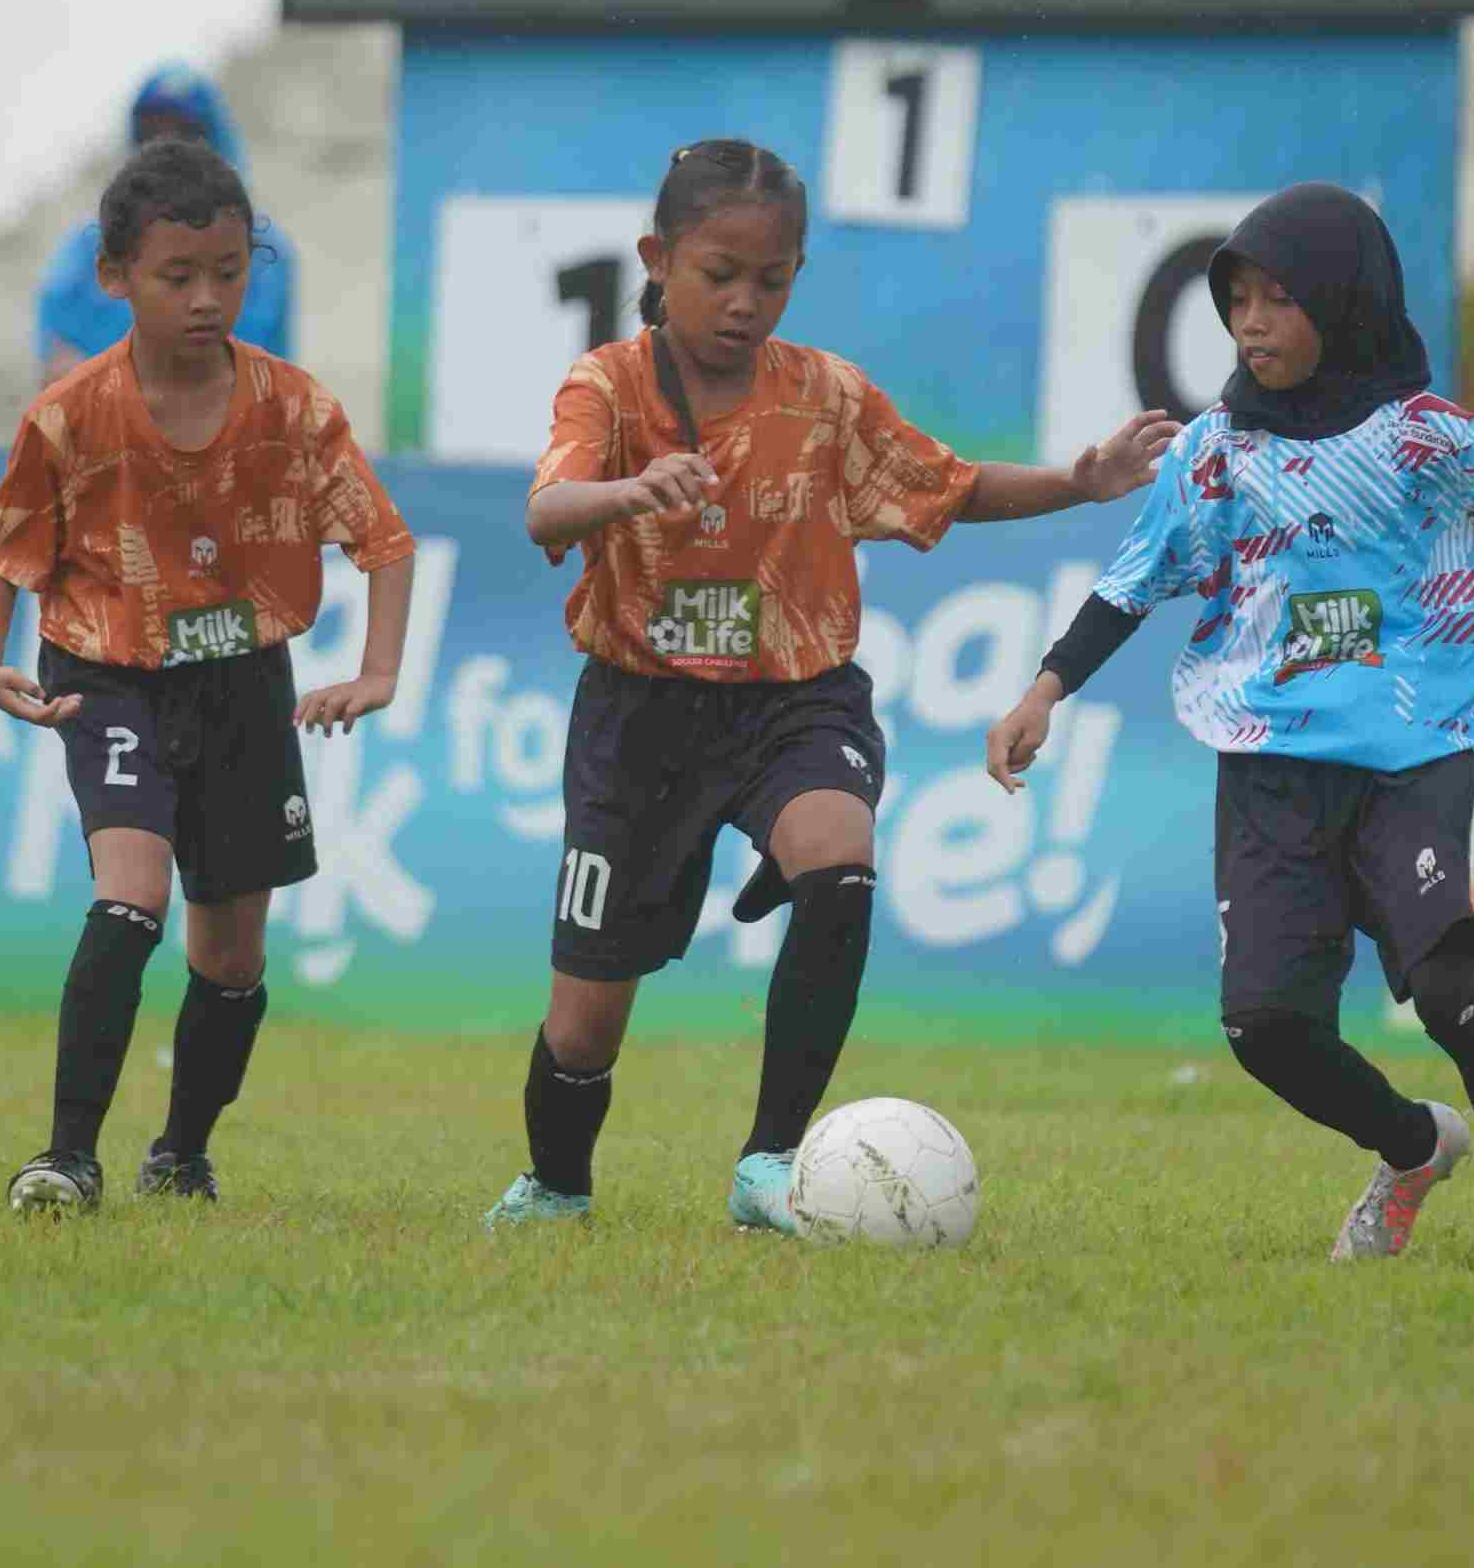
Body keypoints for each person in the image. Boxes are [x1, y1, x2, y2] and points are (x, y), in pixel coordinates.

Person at [484, 138, 1178, 1234]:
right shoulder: (608, 385)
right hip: (638, 717)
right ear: (657, 259)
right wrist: (631, 488)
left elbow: (945, 486)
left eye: (773, 278)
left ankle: (772, 1164)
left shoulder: (823, 395)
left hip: (794, 699)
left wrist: (1078, 484)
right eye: (720, 275)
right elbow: (545, 509)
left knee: (839, 855)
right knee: (584, 1023)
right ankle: (558, 1184)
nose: (745, 302)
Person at [984, 183, 1474, 1270]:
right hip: (1271, 775)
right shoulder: (1214, 452)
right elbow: (1133, 584)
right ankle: (1412, 1145)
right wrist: (1043, 689)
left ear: (1346, 301)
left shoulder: (1432, 442)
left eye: (1279, 299)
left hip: (1410, 762)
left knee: (1446, 993)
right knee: (1265, 1030)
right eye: (1237, 298)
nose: (1250, 323)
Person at [0, 138, 413, 1213]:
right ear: (115, 276)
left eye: (229, 272)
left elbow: (383, 544)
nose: (208, 298)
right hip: (107, 674)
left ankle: (181, 1152)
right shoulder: (71, 412)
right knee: (132, 894)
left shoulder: (295, 409)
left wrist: (377, 673)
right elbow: (5, 549)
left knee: (230, 954)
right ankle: (67, 1156)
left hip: (242, 683)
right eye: (179, 276)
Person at [34, 65, 292, 378]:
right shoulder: (88, 247)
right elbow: (57, 355)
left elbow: (267, 375)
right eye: (151, 134)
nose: (167, 151)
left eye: (185, 134)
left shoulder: (264, 252)